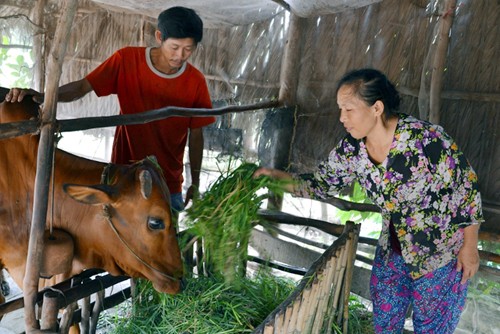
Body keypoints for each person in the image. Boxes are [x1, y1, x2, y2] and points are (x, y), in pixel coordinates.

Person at [254, 68, 483, 333]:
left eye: (349, 110)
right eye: (340, 109)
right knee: (384, 324)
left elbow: (466, 187)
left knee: (433, 328)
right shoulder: (351, 150)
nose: (342, 118)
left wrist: (470, 246)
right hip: (392, 253)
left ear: (376, 108)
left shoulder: (426, 140)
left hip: (440, 257)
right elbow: (319, 185)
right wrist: (274, 177)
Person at [5, 6, 215, 213]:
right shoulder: (127, 60)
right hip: (123, 174)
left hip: (167, 181)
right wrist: (44, 97)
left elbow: (196, 135)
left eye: (188, 49)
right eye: (175, 47)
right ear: (159, 37)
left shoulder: (195, 81)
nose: (180, 55)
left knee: (163, 241)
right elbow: (82, 87)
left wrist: (194, 182)